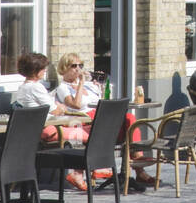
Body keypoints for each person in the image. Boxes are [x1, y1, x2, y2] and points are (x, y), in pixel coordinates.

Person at [55, 53, 153, 187]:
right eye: (74, 66)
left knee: (130, 118)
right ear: (64, 68)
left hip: (101, 117)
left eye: (80, 65)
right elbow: (76, 105)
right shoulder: (63, 88)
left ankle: (138, 163)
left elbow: (102, 101)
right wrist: (81, 84)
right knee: (114, 124)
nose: (78, 69)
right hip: (85, 120)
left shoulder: (89, 85)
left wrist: (98, 87)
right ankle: (132, 168)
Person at [14, 51, 91, 192]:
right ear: (36, 71)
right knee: (85, 135)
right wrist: (59, 107)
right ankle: (80, 172)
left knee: (79, 131)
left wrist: (58, 107)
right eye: (43, 69)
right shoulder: (36, 87)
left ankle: (78, 173)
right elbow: (55, 110)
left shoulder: (22, 87)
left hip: (35, 129)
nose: (44, 71)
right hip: (46, 129)